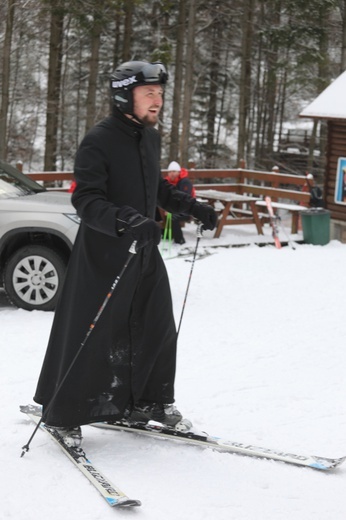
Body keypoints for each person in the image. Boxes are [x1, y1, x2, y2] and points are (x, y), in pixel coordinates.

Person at [33, 60, 217, 447]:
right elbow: (85, 198)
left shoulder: (149, 138)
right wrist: (125, 219)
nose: (158, 101)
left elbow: (155, 190)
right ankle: (62, 413)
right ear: (124, 95)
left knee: (158, 326)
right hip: (104, 254)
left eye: (161, 94)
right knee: (90, 333)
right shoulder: (99, 139)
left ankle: (151, 402)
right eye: (149, 93)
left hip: (144, 251)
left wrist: (191, 206)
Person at [164, 161, 196, 244]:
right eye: (170, 172)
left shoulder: (185, 182)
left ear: (179, 172)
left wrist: (170, 209)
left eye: (174, 171)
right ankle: (166, 234)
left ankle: (180, 240)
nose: (172, 174)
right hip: (173, 208)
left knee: (173, 217)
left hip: (187, 209)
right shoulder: (167, 182)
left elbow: (185, 199)